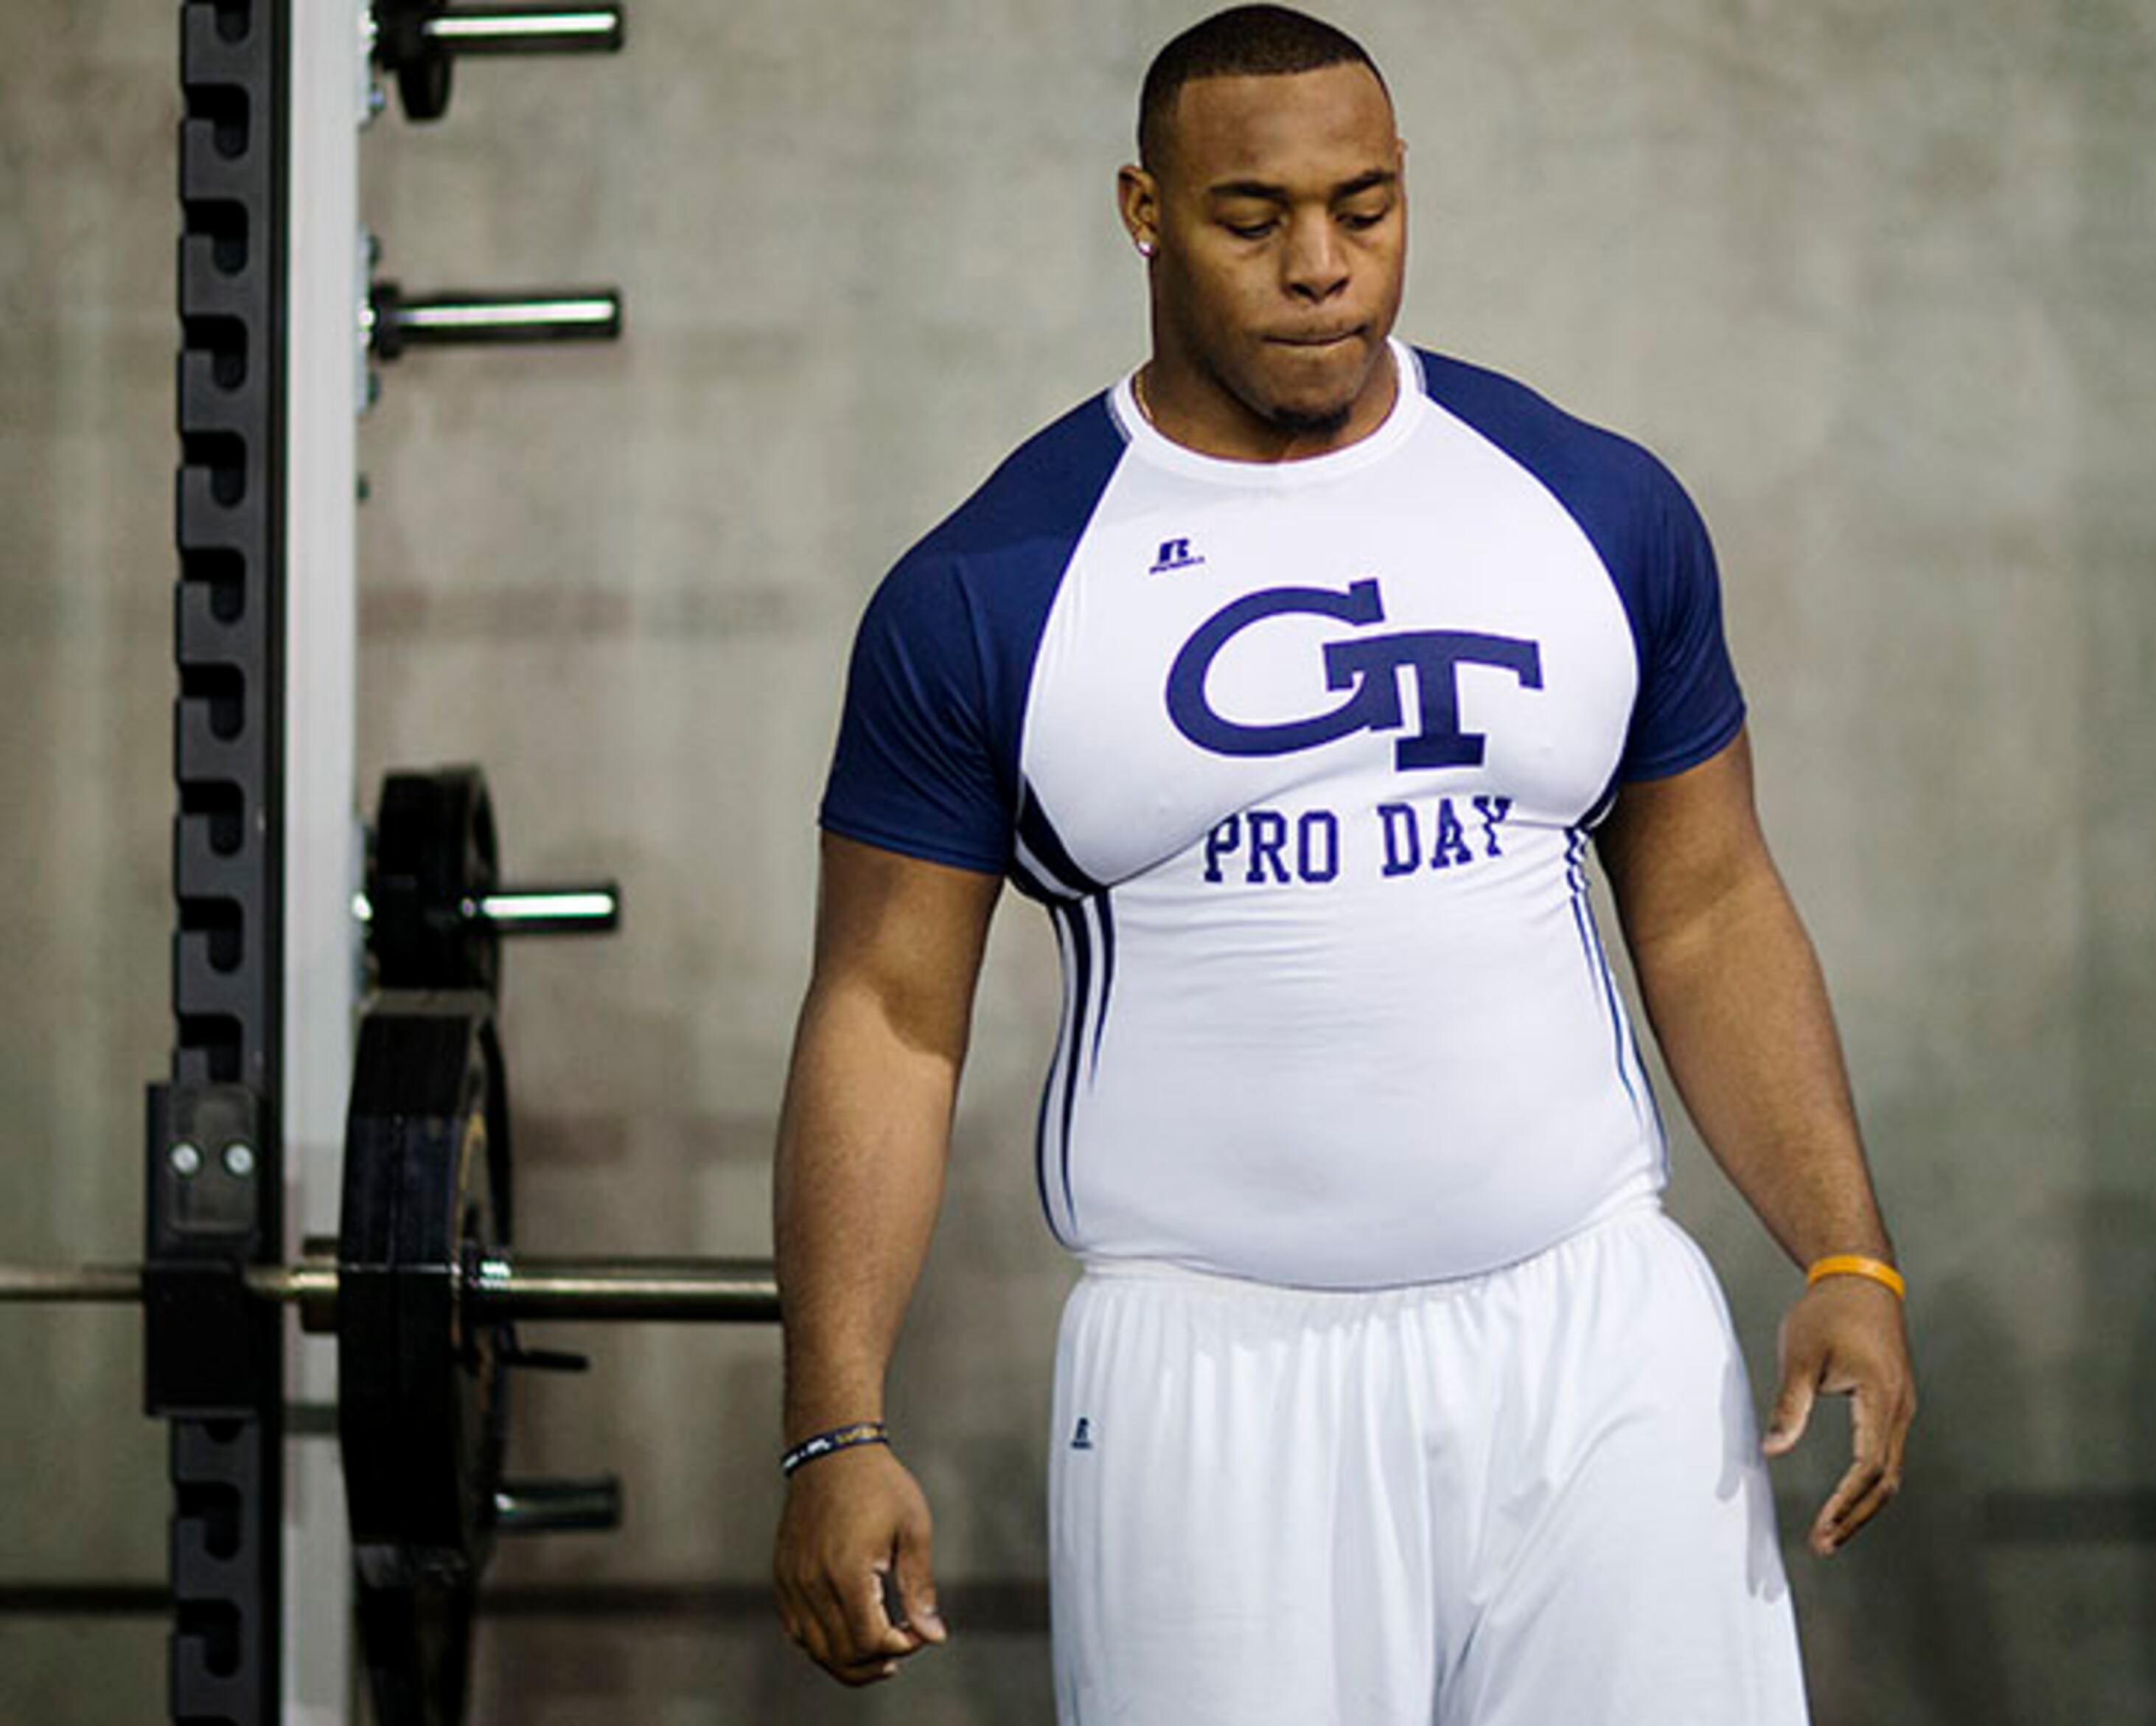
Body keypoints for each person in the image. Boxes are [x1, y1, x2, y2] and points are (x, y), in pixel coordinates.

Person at [769, 7, 1916, 1720]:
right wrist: (835, 1421)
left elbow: (1710, 902)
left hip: (1599, 1334)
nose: (1321, 266)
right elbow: (886, 1013)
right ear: (1144, 211)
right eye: (1254, 219)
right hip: (1212, 1378)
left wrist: (1846, 1254)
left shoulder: (1591, 506)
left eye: (1364, 209)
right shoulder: (990, 587)